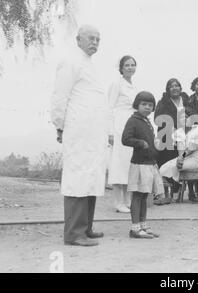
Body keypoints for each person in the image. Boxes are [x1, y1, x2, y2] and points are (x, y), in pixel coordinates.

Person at [51, 25, 107, 247]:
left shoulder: (90, 65)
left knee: (91, 176)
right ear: (78, 40)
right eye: (90, 38)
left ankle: (86, 227)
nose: (94, 42)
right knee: (78, 176)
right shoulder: (70, 62)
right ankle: (74, 233)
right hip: (78, 130)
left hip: (92, 132)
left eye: (98, 39)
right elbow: (59, 96)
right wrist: (59, 125)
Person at [122, 91, 164, 239]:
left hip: (149, 163)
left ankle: (143, 225)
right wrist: (140, 143)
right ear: (137, 105)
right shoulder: (133, 120)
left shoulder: (147, 122)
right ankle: (135, 229)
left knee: (145, 195)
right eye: (144, 104)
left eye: (150, 105)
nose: (147, 107)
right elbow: (125, 139)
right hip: (139, 164)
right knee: (137, 196)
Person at [107, 55, 137, 213]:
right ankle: (118, 202)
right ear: (121, 67)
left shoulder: (133, 85)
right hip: (118, 126)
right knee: (118, 164)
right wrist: (110, 132)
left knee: (128, 164)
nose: (130, 68)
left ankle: (127, 200)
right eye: (127, 65)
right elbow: (109, 108)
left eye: (133, 65)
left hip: (131, 126)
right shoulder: (116, 84)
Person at [155, 78, 192, 203]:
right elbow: (158, 117)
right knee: (167, 161)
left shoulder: (186, 100)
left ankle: (177, 191)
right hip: (168, 136)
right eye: (171, 86)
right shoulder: (163, 102)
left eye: (177, 85)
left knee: (180, 160)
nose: (175, 88)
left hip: (185, 134)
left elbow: (194, 114)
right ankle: (166, 193)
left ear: (181, 88)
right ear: (168, 89)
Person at [159, 116, 198, 203]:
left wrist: (181, 157)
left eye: (186, 118)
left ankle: (176, 192)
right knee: (163, 168)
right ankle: (173, 190)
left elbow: (193, 148)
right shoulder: (179, 132)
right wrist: (180, 158)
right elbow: (180, 149)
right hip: (185, 157)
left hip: (196, 159)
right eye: (181, 118)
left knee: (175, 167)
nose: (184, 120)